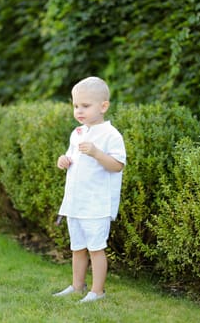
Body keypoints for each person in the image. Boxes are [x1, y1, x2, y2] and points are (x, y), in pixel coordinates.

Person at [53, 76, 126, 303]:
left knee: (95, 249)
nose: (79, 110)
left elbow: (118, 165)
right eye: (76, 105)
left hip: (96, 203)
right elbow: (72, 158)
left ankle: (97, 291)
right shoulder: (77, 133)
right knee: (78, 248)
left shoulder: (110, 135)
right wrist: (63, 160)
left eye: (85, 106)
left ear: (103, 106)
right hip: (76, 202)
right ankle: (77, 286)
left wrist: (96, 152)